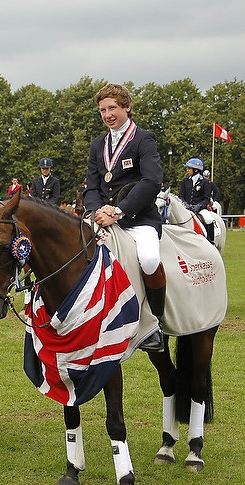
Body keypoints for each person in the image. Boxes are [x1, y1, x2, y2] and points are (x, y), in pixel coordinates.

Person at [83, 83, 164, 351]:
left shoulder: (144, 139)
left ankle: (155, 323)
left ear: (127, 107)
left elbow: (152, 181)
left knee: (150, 259)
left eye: (113, 108)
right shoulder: (98, 145)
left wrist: (119, 211)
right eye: (103, 110)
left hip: (138, 218)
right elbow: (92, 186)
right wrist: (98, 211)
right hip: (102, 218)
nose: (108, 114)